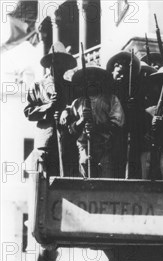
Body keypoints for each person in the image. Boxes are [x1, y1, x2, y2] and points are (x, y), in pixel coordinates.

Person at [23, 42, 78, 177]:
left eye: (62, 63)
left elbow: (78, 108)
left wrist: (68, 111)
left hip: (68, 140)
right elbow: (29, 112)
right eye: (56, 62)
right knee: (45, 181)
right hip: (47, 141)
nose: (59, 66)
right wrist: (49, 107)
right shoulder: (37, 86)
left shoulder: (71, 88)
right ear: (49, 65)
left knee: (67, 178)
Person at [62, 66, 125, 178]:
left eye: (95, 79)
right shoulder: (77, 103)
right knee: (86, 183)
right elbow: (70, 130)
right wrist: (81, 121)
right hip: (84, 148)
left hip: (105, 148)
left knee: (106, 184)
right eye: (88, 79)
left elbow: (117, 124)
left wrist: (97, 127)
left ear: (101, 81)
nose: (91, 81)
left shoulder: (110, 99)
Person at [106, 51, 143, 178]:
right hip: (108, 131)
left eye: (125, 74)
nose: (122, 77)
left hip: (125, 132)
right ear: (113, 69)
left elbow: (138, 115)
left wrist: (132, 107)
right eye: (119, 73)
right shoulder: (106, 88)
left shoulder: (131, 90)